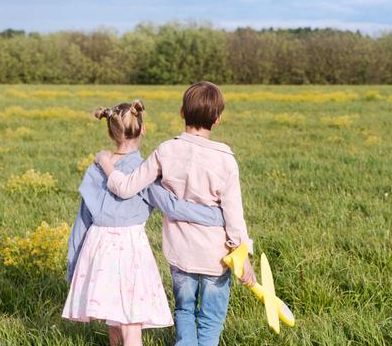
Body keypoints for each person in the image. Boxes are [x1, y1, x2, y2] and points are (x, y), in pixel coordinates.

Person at [96, 81, 255, 346]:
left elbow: (126, 188)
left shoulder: (166, 150)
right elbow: (234, 215)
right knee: (211, 319)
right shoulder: (226, 159)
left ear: (182, 112)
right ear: (217, 120)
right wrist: (243, 254)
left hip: (180, 253)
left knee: (184, 311)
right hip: (217, 257)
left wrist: (105, 163)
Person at [63, 99, 225, 346]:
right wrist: (215, 215)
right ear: (143, 130)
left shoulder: (96, 170)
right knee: (130, 320)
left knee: (113, 318)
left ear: (110, 132)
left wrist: (73, 266)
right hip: (129, 250)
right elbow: (173, 206)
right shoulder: (143, 170)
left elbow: (82, 222)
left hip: (96, 248)